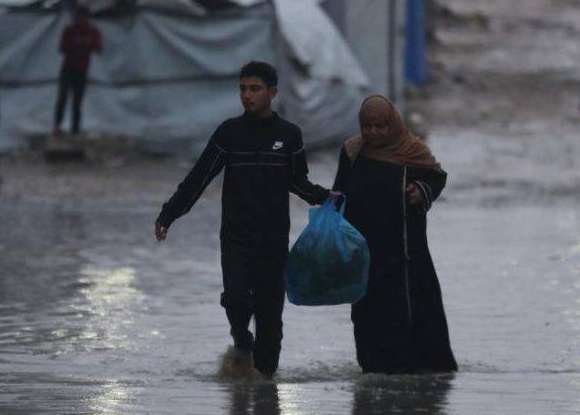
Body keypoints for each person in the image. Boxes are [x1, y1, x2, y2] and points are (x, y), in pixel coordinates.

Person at [155, 61, 338, 378]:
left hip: (273, 240)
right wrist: (169, 213)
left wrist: (327, 198)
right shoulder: (229, 133)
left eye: (254, 89)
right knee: (236, 299)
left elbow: (297, 182)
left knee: (270, 318)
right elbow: (199, 178)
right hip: (236, 238)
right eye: (242, 88)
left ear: (272, 92)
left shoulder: (289, 136)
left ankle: (267, 393)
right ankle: (241, 338)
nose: (247, 95)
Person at [332, 95, 457, 374]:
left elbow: (437, 177)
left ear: (393, 125)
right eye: (367, 126)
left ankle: (415, 376)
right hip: (363, 252)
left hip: (405, 253)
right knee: (366, 314)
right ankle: (374, 374)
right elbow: (339, 193)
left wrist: (421, 191)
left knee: (412, 310)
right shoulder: (352, 152)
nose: (373, 133)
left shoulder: (412, 152)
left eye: (380, 126)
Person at [54, 6, 102, 135]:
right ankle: (57, 125)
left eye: (84, 17)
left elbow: (98, 47)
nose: (82, 20)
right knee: (63, 97)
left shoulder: (92, 31)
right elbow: (62, 48)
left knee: (77, 101)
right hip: (68, 68)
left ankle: (75, 128)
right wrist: (79, 46)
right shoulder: (70, 30)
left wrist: (85, 46)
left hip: (81, 70)